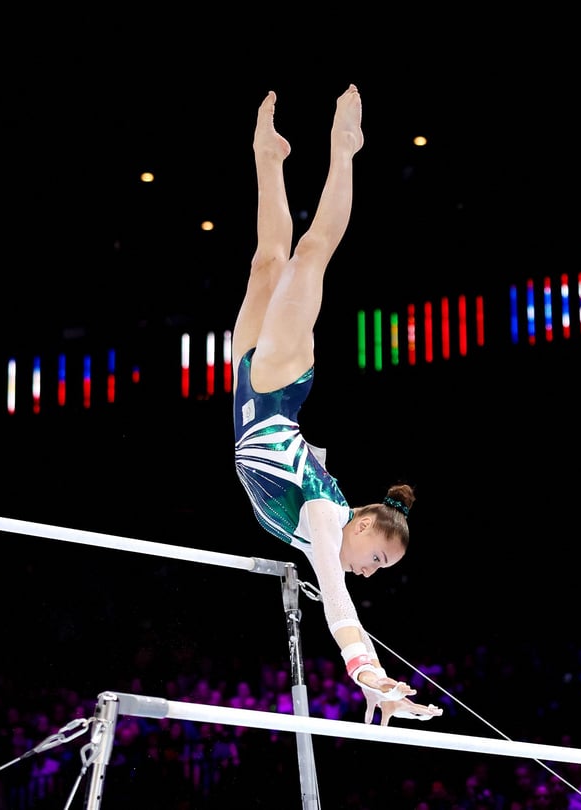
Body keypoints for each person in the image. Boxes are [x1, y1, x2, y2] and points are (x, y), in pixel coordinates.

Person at [231, 83, 441, 726]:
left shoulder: (324, 524)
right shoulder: (325, 517)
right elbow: (340, 610)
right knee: (309, 255)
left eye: (379, 568)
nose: (369, 573)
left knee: (269, 261)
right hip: (276, 389)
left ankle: (269, 156)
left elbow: (339, 597)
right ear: (359, 528)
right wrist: (371, 677)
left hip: (247, 388)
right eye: (376, 558)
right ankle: (344, 148)